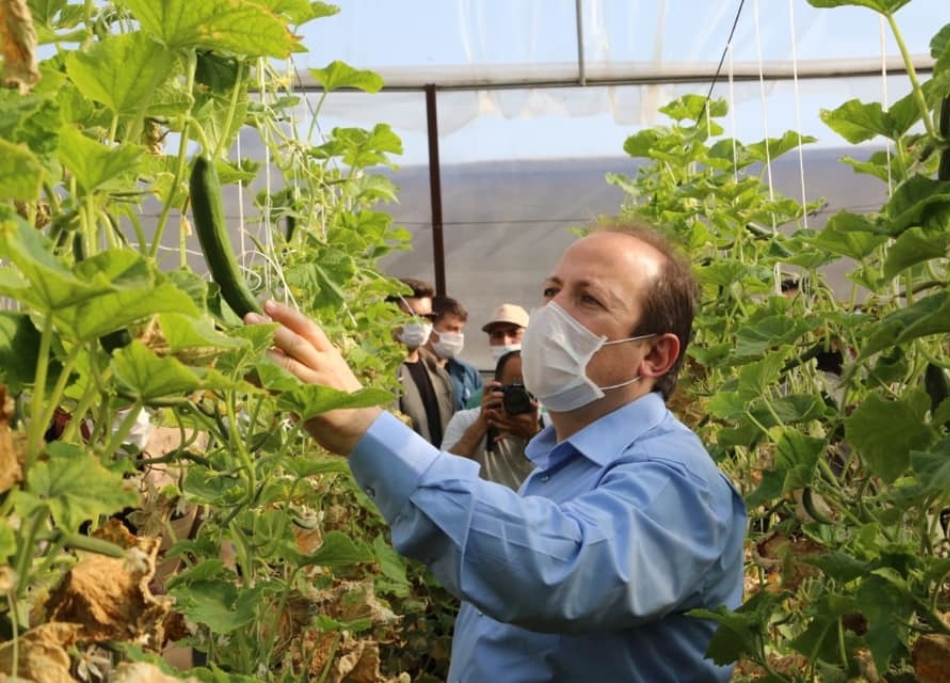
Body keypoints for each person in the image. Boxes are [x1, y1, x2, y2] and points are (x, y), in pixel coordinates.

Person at [247, 220, 747, 682]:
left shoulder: (677, 478)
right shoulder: (562, 463)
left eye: (588, 299)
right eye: (551, 291)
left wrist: (367, 430)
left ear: (655, 354)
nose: (551, 314)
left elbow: (554, 573)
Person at [440, 350, 540, 490]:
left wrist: (534, 435)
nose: (519, 396)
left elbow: (563, 479)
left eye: (526, 389)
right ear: (495, 387)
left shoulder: (551, 426)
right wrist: (481, 424)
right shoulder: (466, 420)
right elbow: (443, 475)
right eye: (513, 388)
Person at [387, 277, 454, 448]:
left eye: (427, 317)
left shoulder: (439, 373)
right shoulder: (381, 373)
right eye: (411, 317)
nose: (420, 324)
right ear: (388, 317)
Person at [465, 303, 530, 409]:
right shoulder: (479, 400)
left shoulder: (549, 392)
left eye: (513, 333)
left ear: (530, 336)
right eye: (498, 335)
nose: (505, 341)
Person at [426, 295, 483, 411]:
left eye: (460, 330)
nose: (457, 336)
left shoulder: (468, 372)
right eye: (451, 328)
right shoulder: (412, 371)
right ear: (429, 328)